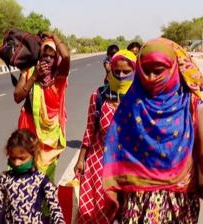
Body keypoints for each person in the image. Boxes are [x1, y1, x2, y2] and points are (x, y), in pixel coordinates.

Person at [102, 38, 203, 223]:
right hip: (137, 198)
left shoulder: (191, 104)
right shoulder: (131, 104)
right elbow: (117, 147)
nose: (150, 78)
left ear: (173, 69)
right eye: (145, 71)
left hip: (180, 198)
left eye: (158, 71)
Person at [73, 50, 136, 224]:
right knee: (93, 211)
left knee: (122, 213)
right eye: (117, 71)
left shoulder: (139, 100)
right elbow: (89, 130)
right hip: (98, 164)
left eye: (126, 72)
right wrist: (80, 160)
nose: (121, 76)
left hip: (126, 166)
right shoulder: (99, 96)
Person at [14, 33, 70, 181]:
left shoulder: (59, 75)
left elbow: (66, 56)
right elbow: (17, 97)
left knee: (46, 174)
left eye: (52, 56)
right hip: (29, 127)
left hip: (51, 133)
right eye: (44, 55)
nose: (48, 59)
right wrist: (34, 78)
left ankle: (44, 200)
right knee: (25, 168)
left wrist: (54, 36)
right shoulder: (29, 71)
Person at [0, 129, 65, 224]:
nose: (17, 163)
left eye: (22, 158)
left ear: (33, 155)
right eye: (13, 158)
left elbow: (55, 209)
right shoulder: (4, 179)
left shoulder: (41, 180)